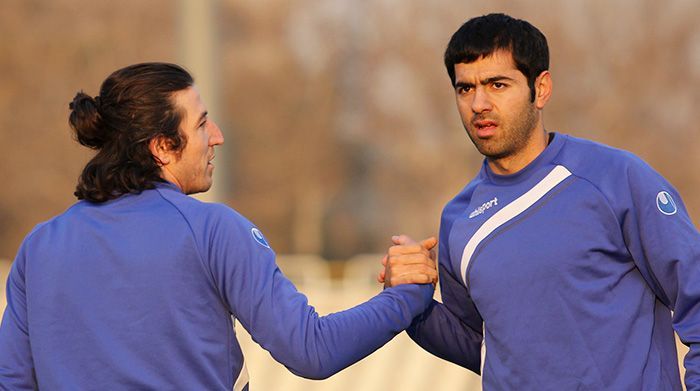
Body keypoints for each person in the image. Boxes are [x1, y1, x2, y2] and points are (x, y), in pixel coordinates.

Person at [0, 62, 438, 390]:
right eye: (203, 123)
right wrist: (406, 297)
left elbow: (13, 381)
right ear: (162, 147)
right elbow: (311, 349)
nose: (218, 136)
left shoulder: (38, 246)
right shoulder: (212, 230)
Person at [383, 13, 700, 390]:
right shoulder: (459, 218)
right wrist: (407, 299)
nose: (479, 103)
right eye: (465, 89)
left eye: (497, 84)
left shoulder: (616, 178)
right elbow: (482, 346)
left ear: (542, 88)